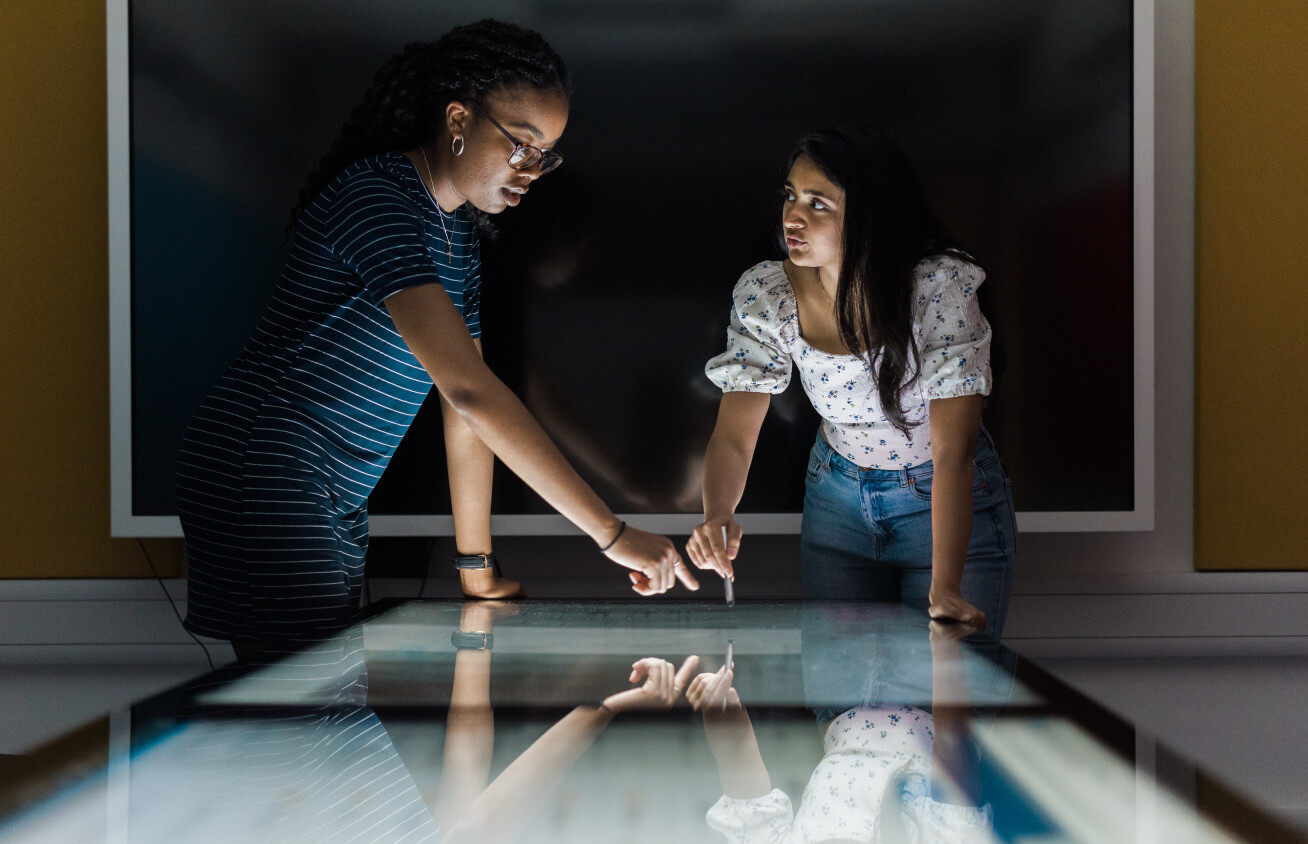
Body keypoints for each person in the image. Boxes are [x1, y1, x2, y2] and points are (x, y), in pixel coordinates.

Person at [176, 20, 698, 654]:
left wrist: (476, 569)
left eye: (546, 154)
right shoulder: (379, 198)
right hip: (266, 470)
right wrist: (611, 534)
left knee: (317, 715)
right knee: (311, 709)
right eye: (520, 144)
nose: (532, 170)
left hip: (332, 490)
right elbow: (469, 391)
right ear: (458, 120)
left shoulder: (459, 243)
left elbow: (465, 415)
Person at [686, 125, 1015, 634]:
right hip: (835, 500)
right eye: (791, 196)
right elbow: (733, 433)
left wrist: (946, 587)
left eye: (818, 203)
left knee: (951, 690)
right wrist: (717, 514)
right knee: (843, 694)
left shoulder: (936, 286)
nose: (792, 217)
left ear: (870, 212)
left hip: (940, 497)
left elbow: (956, 452)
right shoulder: (768, 292)